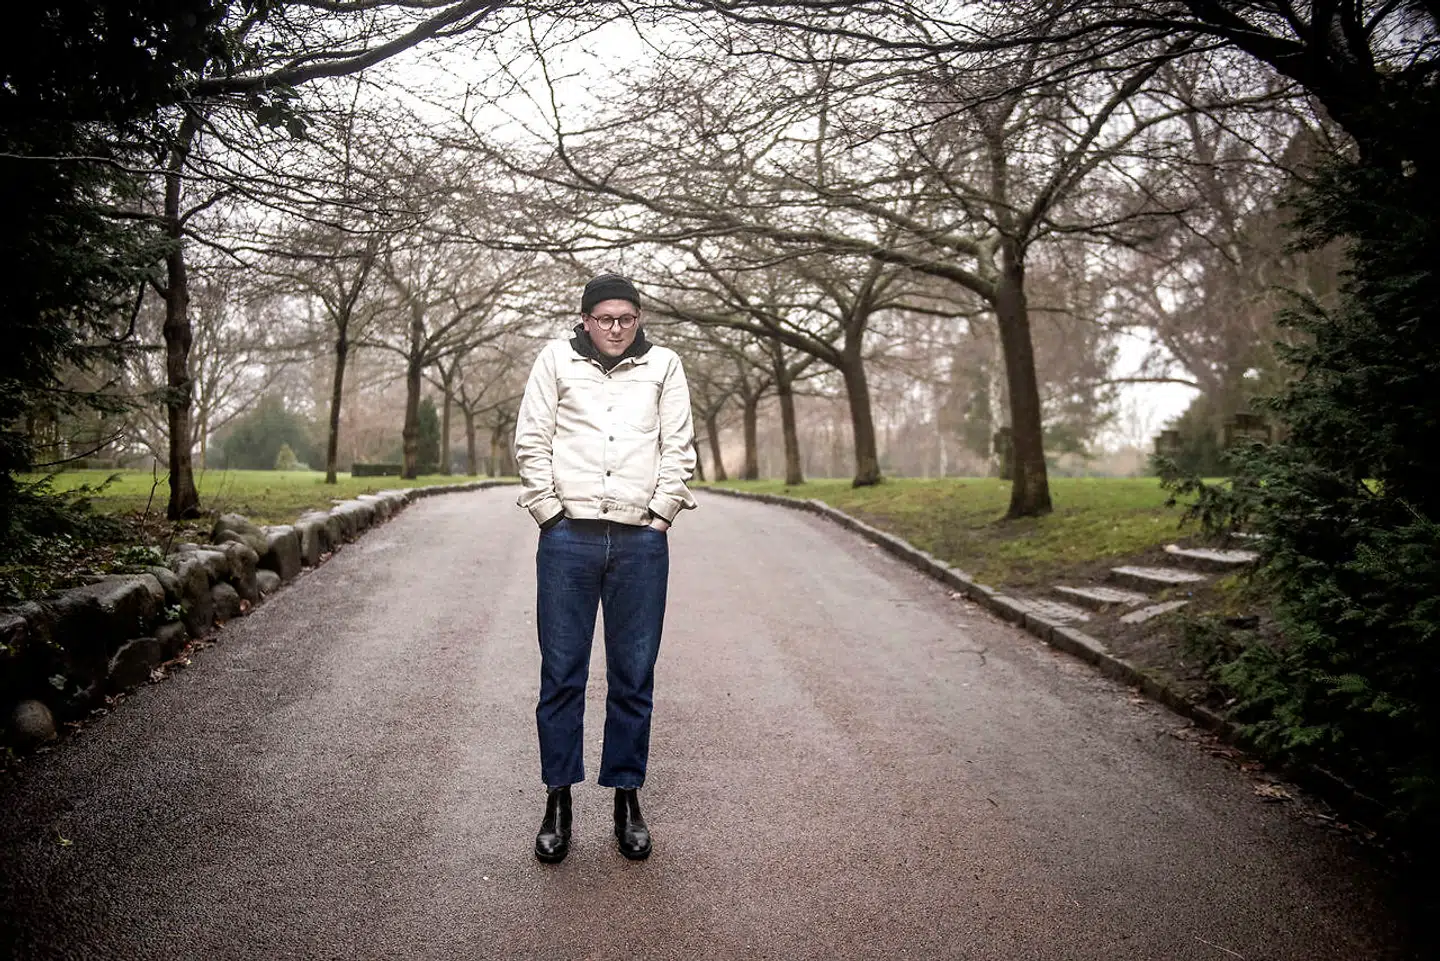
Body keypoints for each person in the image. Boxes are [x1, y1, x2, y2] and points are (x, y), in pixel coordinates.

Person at [513, 272, 697, 863]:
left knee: (633, 676)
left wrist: (662, 513)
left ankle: (627, 798)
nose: (616, 328)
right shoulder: (555, 361)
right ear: (586, 319)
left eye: (627, 318)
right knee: (562, 674)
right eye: (605, 318)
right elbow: (532, 437)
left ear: (639, 319)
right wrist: (547, 513)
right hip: (569, 539)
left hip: (640, 542)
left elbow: (679, 445)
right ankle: (557, 801)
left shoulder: (664, 366)